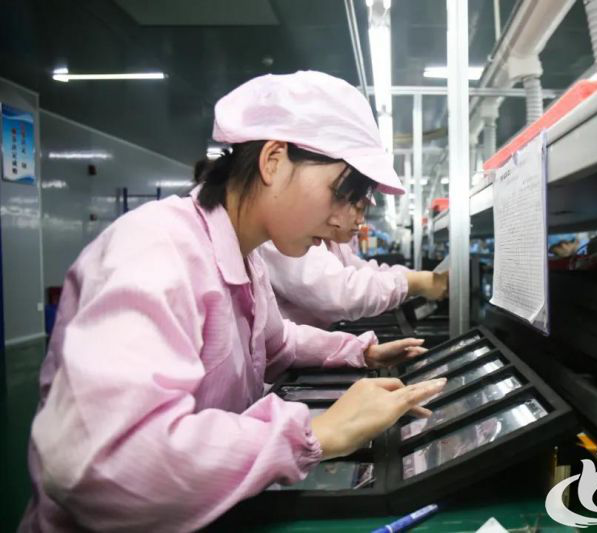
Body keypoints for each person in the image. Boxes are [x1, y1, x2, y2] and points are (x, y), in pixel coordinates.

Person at [20, 71, 446, 532]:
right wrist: (315, 434)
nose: (348, 219)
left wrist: (359, 352)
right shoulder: (155, 251)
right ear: (274, 160)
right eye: (342, 193)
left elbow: (277, 343)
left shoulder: (247, 258)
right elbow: (106, 465)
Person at [258, 201, 448, 329]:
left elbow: (365, 271)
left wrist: (419, 278)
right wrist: (414, 283)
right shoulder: (287, 234)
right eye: (357, 207)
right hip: (282, 368)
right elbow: (341, 293)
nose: (361, 219)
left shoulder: (332, 243)